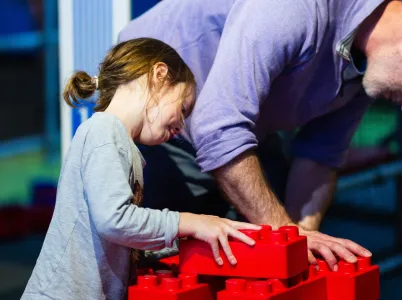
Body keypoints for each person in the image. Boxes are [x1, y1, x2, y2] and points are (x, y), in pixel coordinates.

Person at [118, 0, 402, 270]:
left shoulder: (373, 67)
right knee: (163, 261)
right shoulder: (297, 7)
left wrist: (302, 246)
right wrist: (287, 236)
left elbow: (320, 155)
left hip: (239, 123)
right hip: (155, 112)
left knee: (277, 247)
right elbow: (218, 126)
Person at [21, 37, 261, 300]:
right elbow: (114, 221)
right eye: (182, 109)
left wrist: (184, 242)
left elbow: (121, 241)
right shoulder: (104, 131)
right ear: (159, 75)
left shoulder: (121, 144)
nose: (181, 127)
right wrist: (192, 222)